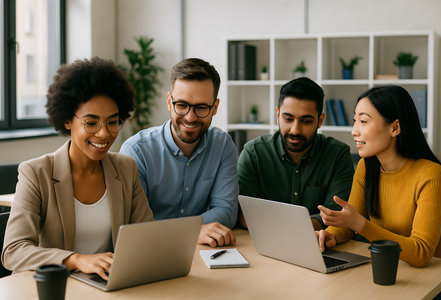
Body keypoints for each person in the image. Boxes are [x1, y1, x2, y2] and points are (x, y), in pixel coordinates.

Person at [1, 57, 154, 280]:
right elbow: (13, 251)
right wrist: (76, 259)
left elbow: (146, 235)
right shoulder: (36, 172)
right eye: (91, 123)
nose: (104, 133)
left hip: (106, 286)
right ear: (66, 121)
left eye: (112, 122)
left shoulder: (125, 168)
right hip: (55, 287)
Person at [317, 85, 441, 267]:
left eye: (363, 121)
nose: (354, 131)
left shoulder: (431, 174)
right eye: (355, 120)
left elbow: (421, 252)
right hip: (389, 264)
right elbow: (350, 223)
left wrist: (361, 225)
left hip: (435, 278)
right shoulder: (367, 166)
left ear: (395, 128)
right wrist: (331, 234)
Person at [120, 58, 238, 248]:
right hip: (150, 250)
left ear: (215, 107)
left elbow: (227, 210)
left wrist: (186, 233)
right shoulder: (136, 151)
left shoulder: (222, 145)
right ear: (169, 101)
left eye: (201, 107)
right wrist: (191, 232)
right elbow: (134, 224)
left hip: (200, 251)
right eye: (181, 105)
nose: (190, 117)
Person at [238, 77, 354, 230]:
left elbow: (337, 215)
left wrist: (279, 225)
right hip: (261, 244)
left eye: (306, 121)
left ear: (320, 121)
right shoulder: (254, 153)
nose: (295, 130)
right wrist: (301, 225)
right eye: (288, 119)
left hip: (318, 244)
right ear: (277, 115)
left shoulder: (338, 155)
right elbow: (241, 212)